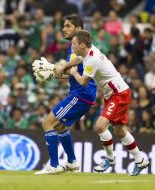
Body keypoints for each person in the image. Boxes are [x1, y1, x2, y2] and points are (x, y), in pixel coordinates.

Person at [54, 30, 149, 176]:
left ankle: (110, 159)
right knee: (120, 131)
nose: (72, 46)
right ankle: (140, 160)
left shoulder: (93, 59)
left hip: (119, 94)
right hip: (113, 95)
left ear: (82, 44)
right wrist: (64, 67)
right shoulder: (87, 53)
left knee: (100, 126)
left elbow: (83, 82)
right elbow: (78, 60)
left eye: (74, 44)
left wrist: (73, 73)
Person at [33, 16, 97, 174]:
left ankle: (54, 165)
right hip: (83, 94)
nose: (64, 29)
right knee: (60, 126)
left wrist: (54, 67)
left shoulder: (78, 48)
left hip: (81, 93)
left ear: (78, 28)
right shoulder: (75, 47)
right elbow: (72, 73)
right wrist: (52, 73)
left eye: (68, 26)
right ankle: (72, 162)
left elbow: (73, 65)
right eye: (63, 25)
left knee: (48, 123)